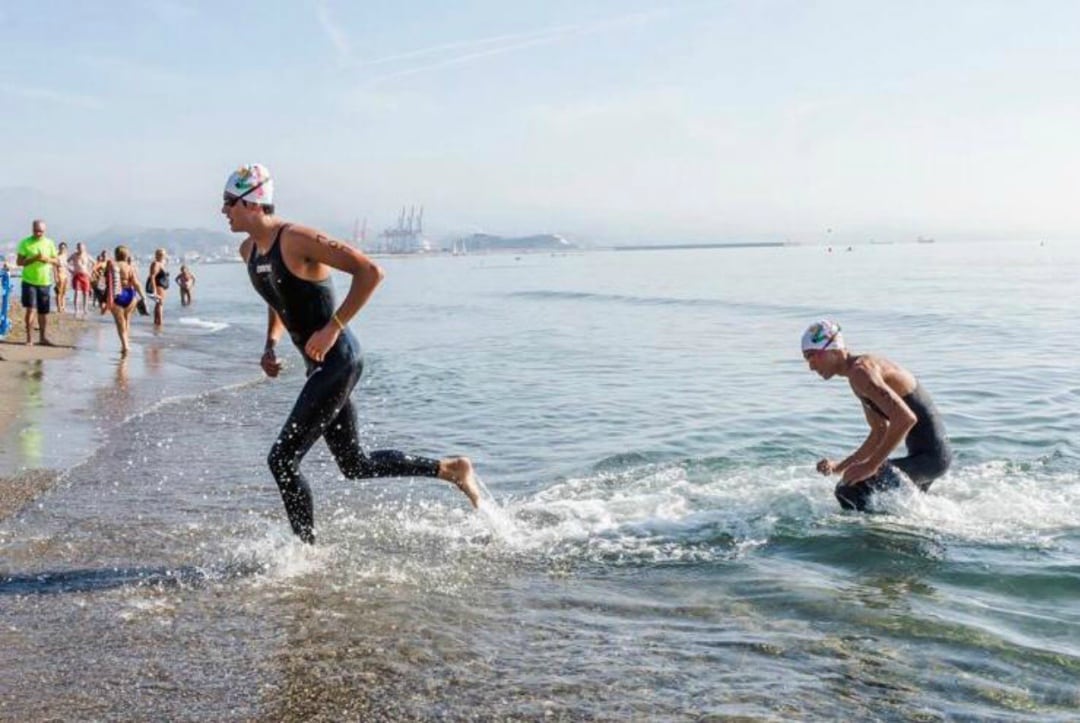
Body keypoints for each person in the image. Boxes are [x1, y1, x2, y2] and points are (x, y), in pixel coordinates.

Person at [223, 163, 480, 544]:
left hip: (340, 360)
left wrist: (333, 327)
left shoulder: (296, 239)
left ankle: (304, 554)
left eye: (229, 202)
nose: (223, 210)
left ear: (253, 203)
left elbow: (370, 272)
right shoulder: (250, 250)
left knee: (282, 460)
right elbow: (277, 300)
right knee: (355, 463)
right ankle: (451, 469)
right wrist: (271, 344)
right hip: (320, 367)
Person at [802, 319, 952, 512]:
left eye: (812, 356)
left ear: (833, 349)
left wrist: (872, 465)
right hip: (925, 457)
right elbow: (879, 431)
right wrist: (839, 466)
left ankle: (871, 541)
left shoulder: (861, 372)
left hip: (930, 459)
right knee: (865, 491)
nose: (810, 366)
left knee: (849, 490)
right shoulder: (856, 375)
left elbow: (905, 419)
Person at [15, 219, 59, 346]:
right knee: (31, 309)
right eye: (36, 231)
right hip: (29, 281)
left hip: (45, 281)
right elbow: (19, 262)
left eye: (41, 231)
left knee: (43, 312)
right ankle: (29, 338)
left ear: (45, 231)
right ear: (32, 229)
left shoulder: (49, 243)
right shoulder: (25, 242)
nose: (38, 233)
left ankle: (42, 338)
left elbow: (56, 261)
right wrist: (34, 258)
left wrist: (47, 259)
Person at [105, 245, 146, 356]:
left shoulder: (112, 266)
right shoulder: (129, 267)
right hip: (130, 295)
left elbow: (107, 281)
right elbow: (136, 283)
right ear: (126, 255)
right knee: (127, 320)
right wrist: (143, 296)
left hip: (117, 294)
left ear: (116, 254)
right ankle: (126, 342)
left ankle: (125, 345)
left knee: (120, 323)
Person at [68, 242, 94, 317]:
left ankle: (85, 309)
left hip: (85, 276)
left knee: (86, 293)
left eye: (82, 247)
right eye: (79, 247)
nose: (80, 249)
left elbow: (94, 263)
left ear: (84, 248)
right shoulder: (74, 255)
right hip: (77, 275)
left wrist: (90, 271)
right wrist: (71, 270)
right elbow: (67, 262)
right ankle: (76, 309)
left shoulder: (87, 255)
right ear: (77, 248)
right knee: (77, 292)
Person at [145, 248, 169, 327]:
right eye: (160, 254)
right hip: (158, 285)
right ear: (156, 255)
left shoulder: (162, 263)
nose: (162, 256)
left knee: (159, 303)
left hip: (161, 286)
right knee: (160, 303)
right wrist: (154, 290)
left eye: (163, 254)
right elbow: (152, 276)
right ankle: (160, 322)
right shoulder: (156, 264)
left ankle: (156, 322)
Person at [54, 241, 71, 313]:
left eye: (64, 248)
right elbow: (54, 267)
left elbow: (68, 267)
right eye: (61, 248)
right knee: (58, 292)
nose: (62, 249)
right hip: (60, 274)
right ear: (59, 248)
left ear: (66, 249)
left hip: (66, 275)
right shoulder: (57, 256)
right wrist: (56, 277)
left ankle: (63, 306)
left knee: (64, 292)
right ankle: (59, 307)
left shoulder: (66, 256)